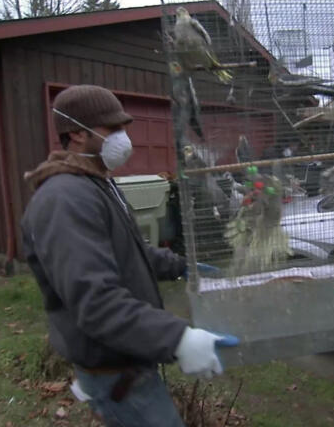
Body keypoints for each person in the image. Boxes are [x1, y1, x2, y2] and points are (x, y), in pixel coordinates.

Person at [21, 85, 236, 427]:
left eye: (124, 127)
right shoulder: (65, 200)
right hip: (115, 377)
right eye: (113, 129)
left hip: (130, 363)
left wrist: (180, 266)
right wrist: (178, 338)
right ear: (76, 133)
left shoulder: (96, 183)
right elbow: (96, 302)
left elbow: (127, 251)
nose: (124, 138)